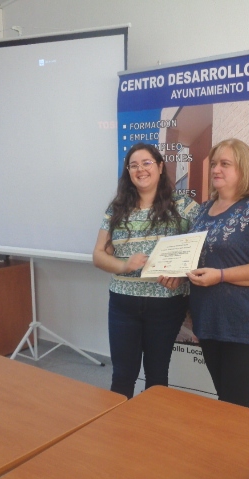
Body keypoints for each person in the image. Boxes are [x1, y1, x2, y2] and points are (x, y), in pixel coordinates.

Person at [186, 138, 249, 409]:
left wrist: (220, 275)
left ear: (243, 170)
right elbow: (195, 258)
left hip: (247, 323)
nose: (216, 169)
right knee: (225, 401)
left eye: (225, 164)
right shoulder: (203, 210)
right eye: (215, 163)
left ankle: (246, 453)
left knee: (238, 406)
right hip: (209, 321)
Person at [93, 142, 198, 398]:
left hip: (166, 305)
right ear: (128, 172)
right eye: (134, 165)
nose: (140, 170)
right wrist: (123, 265)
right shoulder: (116, 208)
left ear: (160, 167)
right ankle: (119, 434)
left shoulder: (183, 206)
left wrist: (182, 273)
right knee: (122, 376)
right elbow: (98, 255)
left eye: (147, 163)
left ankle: (153, 434)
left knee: (157, 376)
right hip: (123, 303)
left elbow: (202, 246)